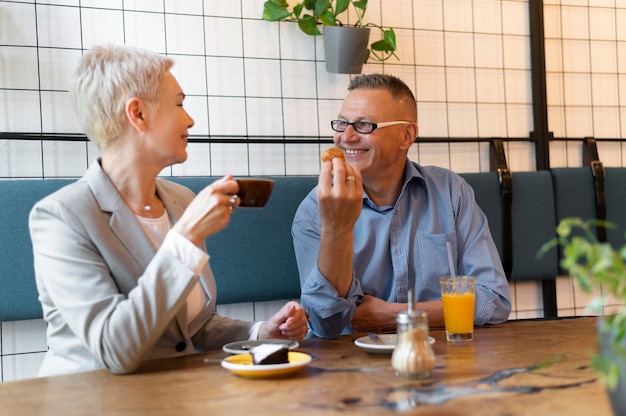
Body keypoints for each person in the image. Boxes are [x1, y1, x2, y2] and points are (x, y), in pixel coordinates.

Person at [29, 44, 308, 377]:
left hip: (175, 396)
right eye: (179, 104)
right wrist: (186, 237)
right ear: (138, 114)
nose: (189, 119)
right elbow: (115, 348)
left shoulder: (180, 199)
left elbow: (188, 328)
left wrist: (259, 333)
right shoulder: (61, 217)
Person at [292, 73, 511, 339]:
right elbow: (325, 324)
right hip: (350, 364)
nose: (345, 137)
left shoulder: (451, 192)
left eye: (364, 125)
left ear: (407, 135)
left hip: (441, 359)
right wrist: (336, 226)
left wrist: (396, 315)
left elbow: (493, 300)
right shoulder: (315, 210)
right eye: (341, 123)